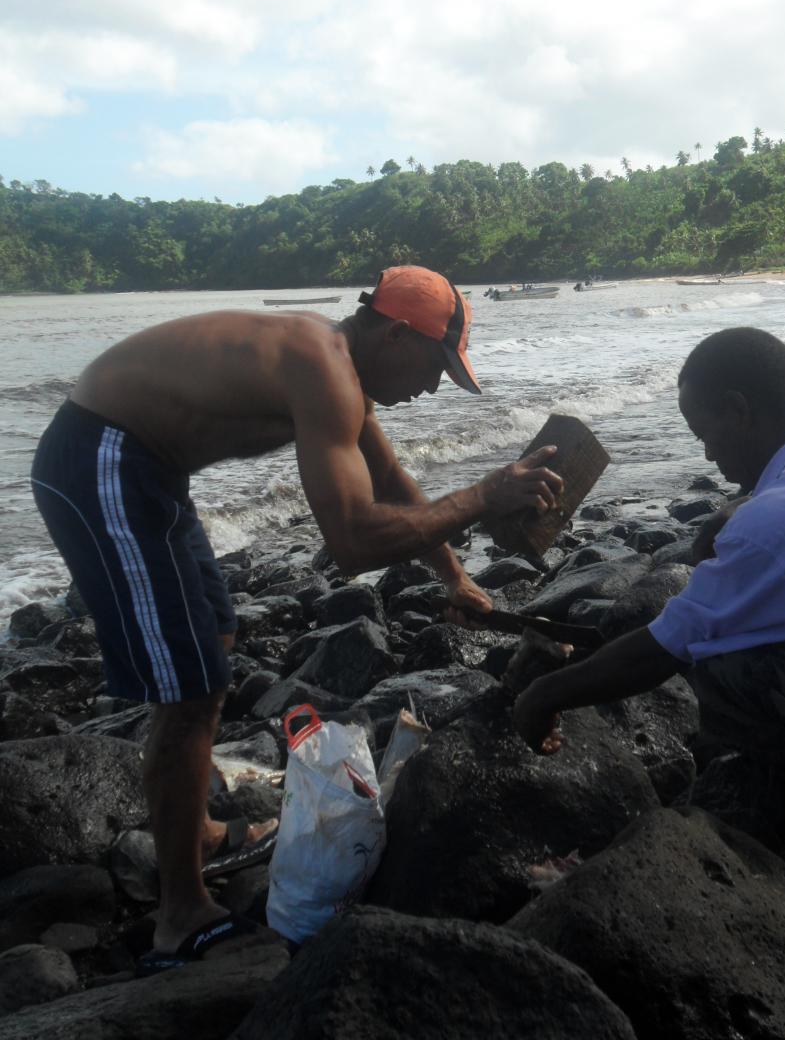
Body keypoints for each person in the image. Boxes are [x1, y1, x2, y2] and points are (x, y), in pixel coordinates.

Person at [32, 266, 561, 972]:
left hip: (151, 470)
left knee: (213, 638)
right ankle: (179, 915)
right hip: (101, 460)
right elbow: (352, 542)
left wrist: (456, 578)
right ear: (396, 332)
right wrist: (487, 494)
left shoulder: (343, 371)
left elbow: (393, 485)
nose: (434, 386)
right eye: (436, 365)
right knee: (188, 691)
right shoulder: (323, 364)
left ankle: (198, 833)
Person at [514, 326, 785, 863]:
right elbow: (782, 512)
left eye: (705, 434)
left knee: (724, 668)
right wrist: (734, 509)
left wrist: (544, 696)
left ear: (736, 409)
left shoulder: (782, 523)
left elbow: (662, 651)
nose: (706, 456)